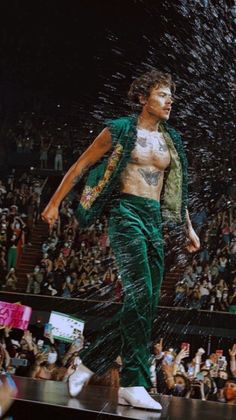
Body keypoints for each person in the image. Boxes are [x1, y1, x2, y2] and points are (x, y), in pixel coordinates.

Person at [42, 69, 200, 411]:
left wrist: (188, 227)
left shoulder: (170, 139)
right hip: (125, 213)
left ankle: (87, 363)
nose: (170, 100)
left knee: (145, 304)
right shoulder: (119, 129)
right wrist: (54, 203)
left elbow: (177, 189)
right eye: (162, 94)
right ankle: (133, 382)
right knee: (140, 296)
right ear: (143, 98)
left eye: (171, 94)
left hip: (154, 219)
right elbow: (80, 166)